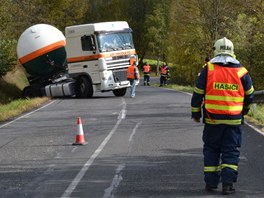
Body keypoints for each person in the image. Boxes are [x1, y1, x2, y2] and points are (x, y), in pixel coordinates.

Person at [191, 37, 254, 195]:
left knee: (212, 150)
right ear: (232, 51)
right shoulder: (241, 71)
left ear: (216, 50)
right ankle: (228, 184)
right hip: (233, 121)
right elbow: (250, 95)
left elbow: (198, 93)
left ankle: (211, 184)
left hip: (212, 120)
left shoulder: (209, 69)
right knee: (231, 151)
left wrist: (196, 113)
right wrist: (244, 110)